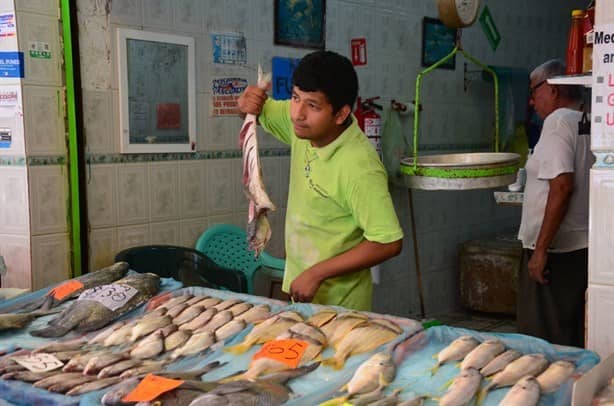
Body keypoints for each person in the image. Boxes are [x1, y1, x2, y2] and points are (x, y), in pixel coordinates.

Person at [237, 51, 403, 311]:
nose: (297, 114)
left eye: (312, 105)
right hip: (301, 293)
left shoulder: (359, 167)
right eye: (294, 98)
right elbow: (256, 110)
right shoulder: (302, 126)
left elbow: (388, 242)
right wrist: (247, 103)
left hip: (342, 307)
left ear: (340, 114)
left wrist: (317, 273)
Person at [517, 59, 594, 347]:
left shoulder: (558, 122)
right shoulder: (587, 121)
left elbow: (562, 186)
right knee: (569, 334)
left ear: (551, 89)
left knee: (541, 342)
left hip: (556, 253)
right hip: (581, 247)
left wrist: (540, 250)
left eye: (534, 90)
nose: (532, 99)